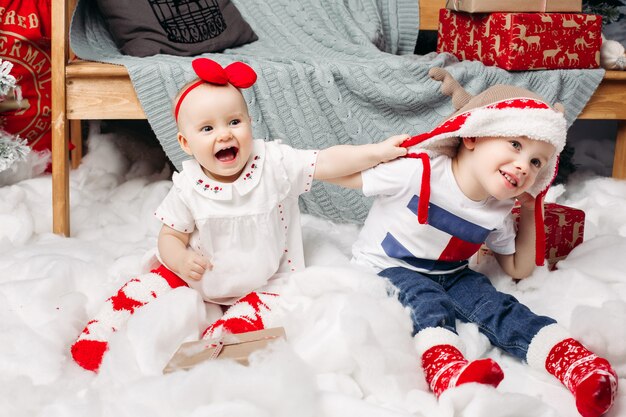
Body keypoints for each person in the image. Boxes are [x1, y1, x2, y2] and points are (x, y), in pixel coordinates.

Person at [70, 58, 408, 372]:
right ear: (185, 144)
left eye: (234, 121)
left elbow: (327, 161)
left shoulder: (273, 164)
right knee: (145, 286)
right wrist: (180, 259)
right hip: (196, 275)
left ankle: (217, 345)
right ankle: (103, 330)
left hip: (263, 280)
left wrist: (375, 152)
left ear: (249, 124)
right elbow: (170, 235)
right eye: (207, 129)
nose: (224, 134)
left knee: (248, 327)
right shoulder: (189, 186)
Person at [349, 68, 618, 417]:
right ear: (475, 136)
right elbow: (341, 173)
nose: (524, 166)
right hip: (389, 267)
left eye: (536, 161)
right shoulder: (420, 171)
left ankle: (576, 364)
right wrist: (369, 155)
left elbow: (519, 268)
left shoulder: (499, 208)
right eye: (516, 145)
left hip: (452, 273)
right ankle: (448, 371)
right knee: (426, 302)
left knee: (497, 305)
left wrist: (532, 206)